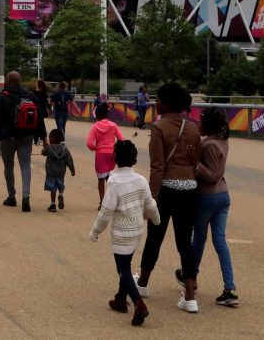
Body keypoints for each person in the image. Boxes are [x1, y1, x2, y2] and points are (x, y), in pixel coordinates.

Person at [135, 83, 202, 314]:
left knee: (155, 237)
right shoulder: (193, 128)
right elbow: (196, 159)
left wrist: (151, 197)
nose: (156, 103)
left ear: (167, 103)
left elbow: (157, 166)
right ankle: (190, 296)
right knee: (185, 242)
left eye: (159, 100)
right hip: (190, 188)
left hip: (167, 188)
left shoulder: (159, 127)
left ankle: (143, 283)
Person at [88, 140, 160, 327]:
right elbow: (150, 204)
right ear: (134, 158)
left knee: (123, 269)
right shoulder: (141, 180)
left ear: (115, 157)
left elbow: (105, 213)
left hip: (121, 234)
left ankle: (139, 304)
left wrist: (95, 232)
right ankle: (120, 299)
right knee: (126, 264)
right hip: (137, 231)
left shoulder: (114, 182)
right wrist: (156, 219)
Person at [189, 107, 239, 307]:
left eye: (201, 121)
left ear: (208, 124)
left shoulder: (208, 145)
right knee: (220, 241)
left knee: (198, 239)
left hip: (207, 197)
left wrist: (195, 163)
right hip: (223, 196)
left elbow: (210, 176)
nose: (198, 123)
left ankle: (191, 276)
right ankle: (230, 288)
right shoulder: (223, 142)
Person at [0, 71, 46, 212]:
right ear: (20, 81)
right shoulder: (30, 96)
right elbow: (39, 118)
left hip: (7, 138)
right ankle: (26, 195)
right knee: (25, 166)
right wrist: (44, 138)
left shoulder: (3, 97)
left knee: (8, 167)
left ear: (8, 82)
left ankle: (11, 197)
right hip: (26, 137)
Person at [87, 104, 126, 209]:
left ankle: (102, 203)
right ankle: (111, 202)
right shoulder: (113, 125)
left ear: (97, 115)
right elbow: (122, 140)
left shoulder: (95, 127)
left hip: (100, 154)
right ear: (107, 114)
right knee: (111, 179)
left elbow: (89, 143)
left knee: (101, 180)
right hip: (111, 154)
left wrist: (96, 148)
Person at [41, 128, 76, 212]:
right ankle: (60, 194)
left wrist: (45, 146)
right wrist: (72, 170)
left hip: (51, 172)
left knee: (53, 188)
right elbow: (69, 161)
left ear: (52, 139)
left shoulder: (49, 148)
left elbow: (43, 153)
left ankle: (53, 205)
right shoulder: (65, 149)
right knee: (61, 185)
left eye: (50, 137)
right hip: (61, 172)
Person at [32, 80, 50, 145]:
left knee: (37, 124)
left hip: (38, 110)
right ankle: (39, 138)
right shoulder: (43, 92)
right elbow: (46, 102)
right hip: (40, 110)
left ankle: (37, 139)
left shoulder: (35, 92)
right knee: (39, 124)